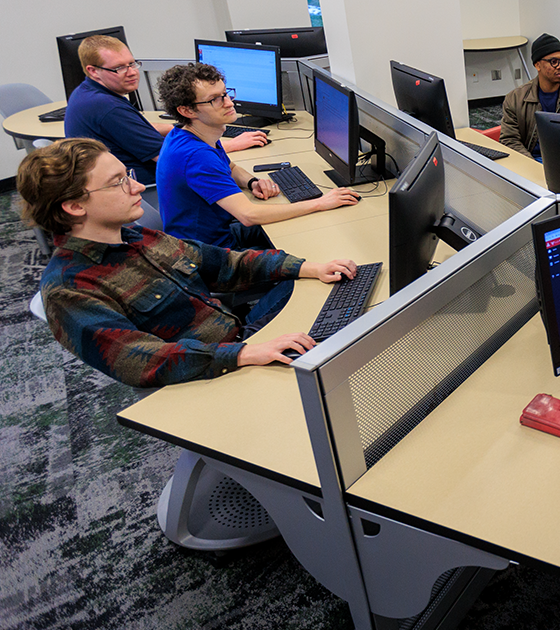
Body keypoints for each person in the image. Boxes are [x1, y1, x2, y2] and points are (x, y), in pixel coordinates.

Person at [18, 137, 356, 388]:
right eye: (118, 183)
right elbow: (140, 360)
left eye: (128, 175)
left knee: (344, 290)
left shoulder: (136, 237)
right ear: (75, 206)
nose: (137, 187)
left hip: (239, 340)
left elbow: (224, 264)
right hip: (210, 375)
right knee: (343, 362)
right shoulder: (69, 288)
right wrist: (242, 354)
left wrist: (306, 268)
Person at [154, 62, 360, 250]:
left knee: (299, 228)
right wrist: (320, 203)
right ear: (187, 110)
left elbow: (230, 167)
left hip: (212, 236)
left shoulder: (189, 133)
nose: (228, 103)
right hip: (210, 256)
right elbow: (248, 215)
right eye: (214, 100)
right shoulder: (196, 156)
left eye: (225, 94)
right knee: (307, 251)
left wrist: (252, 182)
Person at [64, 35, 267, 185]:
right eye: (119, 68)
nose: (132, 72)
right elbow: (173, 157)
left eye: (132, 64)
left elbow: (134, 128)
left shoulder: (87, 93)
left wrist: (177, 127)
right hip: (148, 190)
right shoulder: (106, 107)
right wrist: (232, 145)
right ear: (93, 71)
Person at [499, 33, 560, 160]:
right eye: (554, 62)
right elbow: (509, 140)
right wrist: (531, 165)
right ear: (537, 65)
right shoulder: (515, 99)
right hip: (530, 159)